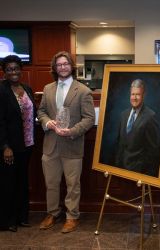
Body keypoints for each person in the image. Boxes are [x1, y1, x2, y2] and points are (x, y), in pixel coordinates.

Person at [37, 51, 95, 233]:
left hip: (72, 144)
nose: (62, 67)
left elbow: (88, 119)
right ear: (55, 68)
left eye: (66, 64)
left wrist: (72, 131)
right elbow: (41, 112)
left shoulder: (84, 91)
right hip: (50, 145)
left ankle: (72, 216)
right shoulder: (47, 89)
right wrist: (47, 122)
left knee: (72, 184)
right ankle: (53, 213)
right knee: (51, 183)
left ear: (72, 66)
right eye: (59, 64)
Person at [0, 55, 36, 232]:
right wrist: (5, 147)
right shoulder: (1, 90)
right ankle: (8, 220)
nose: (13, 72)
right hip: (10, 148)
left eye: (16, 68)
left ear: (21, 69)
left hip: (27, 144)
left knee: (22, 181)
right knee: (8, 183)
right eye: (9, 69)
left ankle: (22, 217)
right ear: (4, 72)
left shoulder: (27, 88)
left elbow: (30, 114)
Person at [115, 79, 160, 177]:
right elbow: (120, 143)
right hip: (121, 169)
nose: (134, 98)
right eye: (132, 94)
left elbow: (153, 151)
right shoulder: (124, 115)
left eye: (138, 95)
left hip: (139, 172)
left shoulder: (150, 116)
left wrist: (143, 172)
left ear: (144, 95)